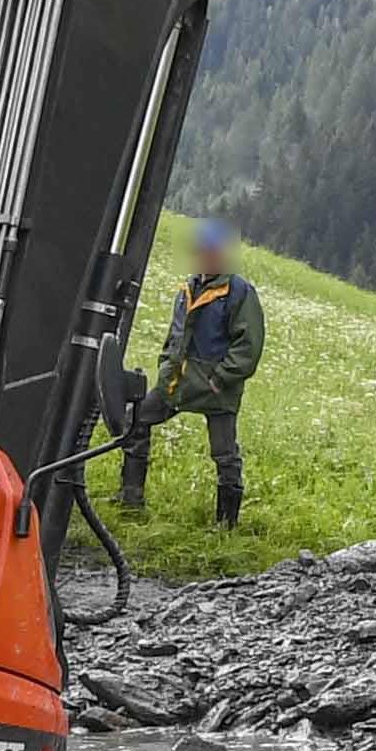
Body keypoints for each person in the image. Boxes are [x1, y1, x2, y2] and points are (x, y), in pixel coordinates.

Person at [119, 219, 269, 525]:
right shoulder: (187, 288)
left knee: (225, 455)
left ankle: (226, 524)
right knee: (135, 420)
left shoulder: (239, 292)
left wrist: (219, 379)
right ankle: (130, 499)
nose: (207, 256)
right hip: (177, 383)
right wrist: (165, 366)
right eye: (203, 250)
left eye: (213, 251)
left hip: (217, 390)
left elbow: (249, 347)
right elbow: (175, 334)